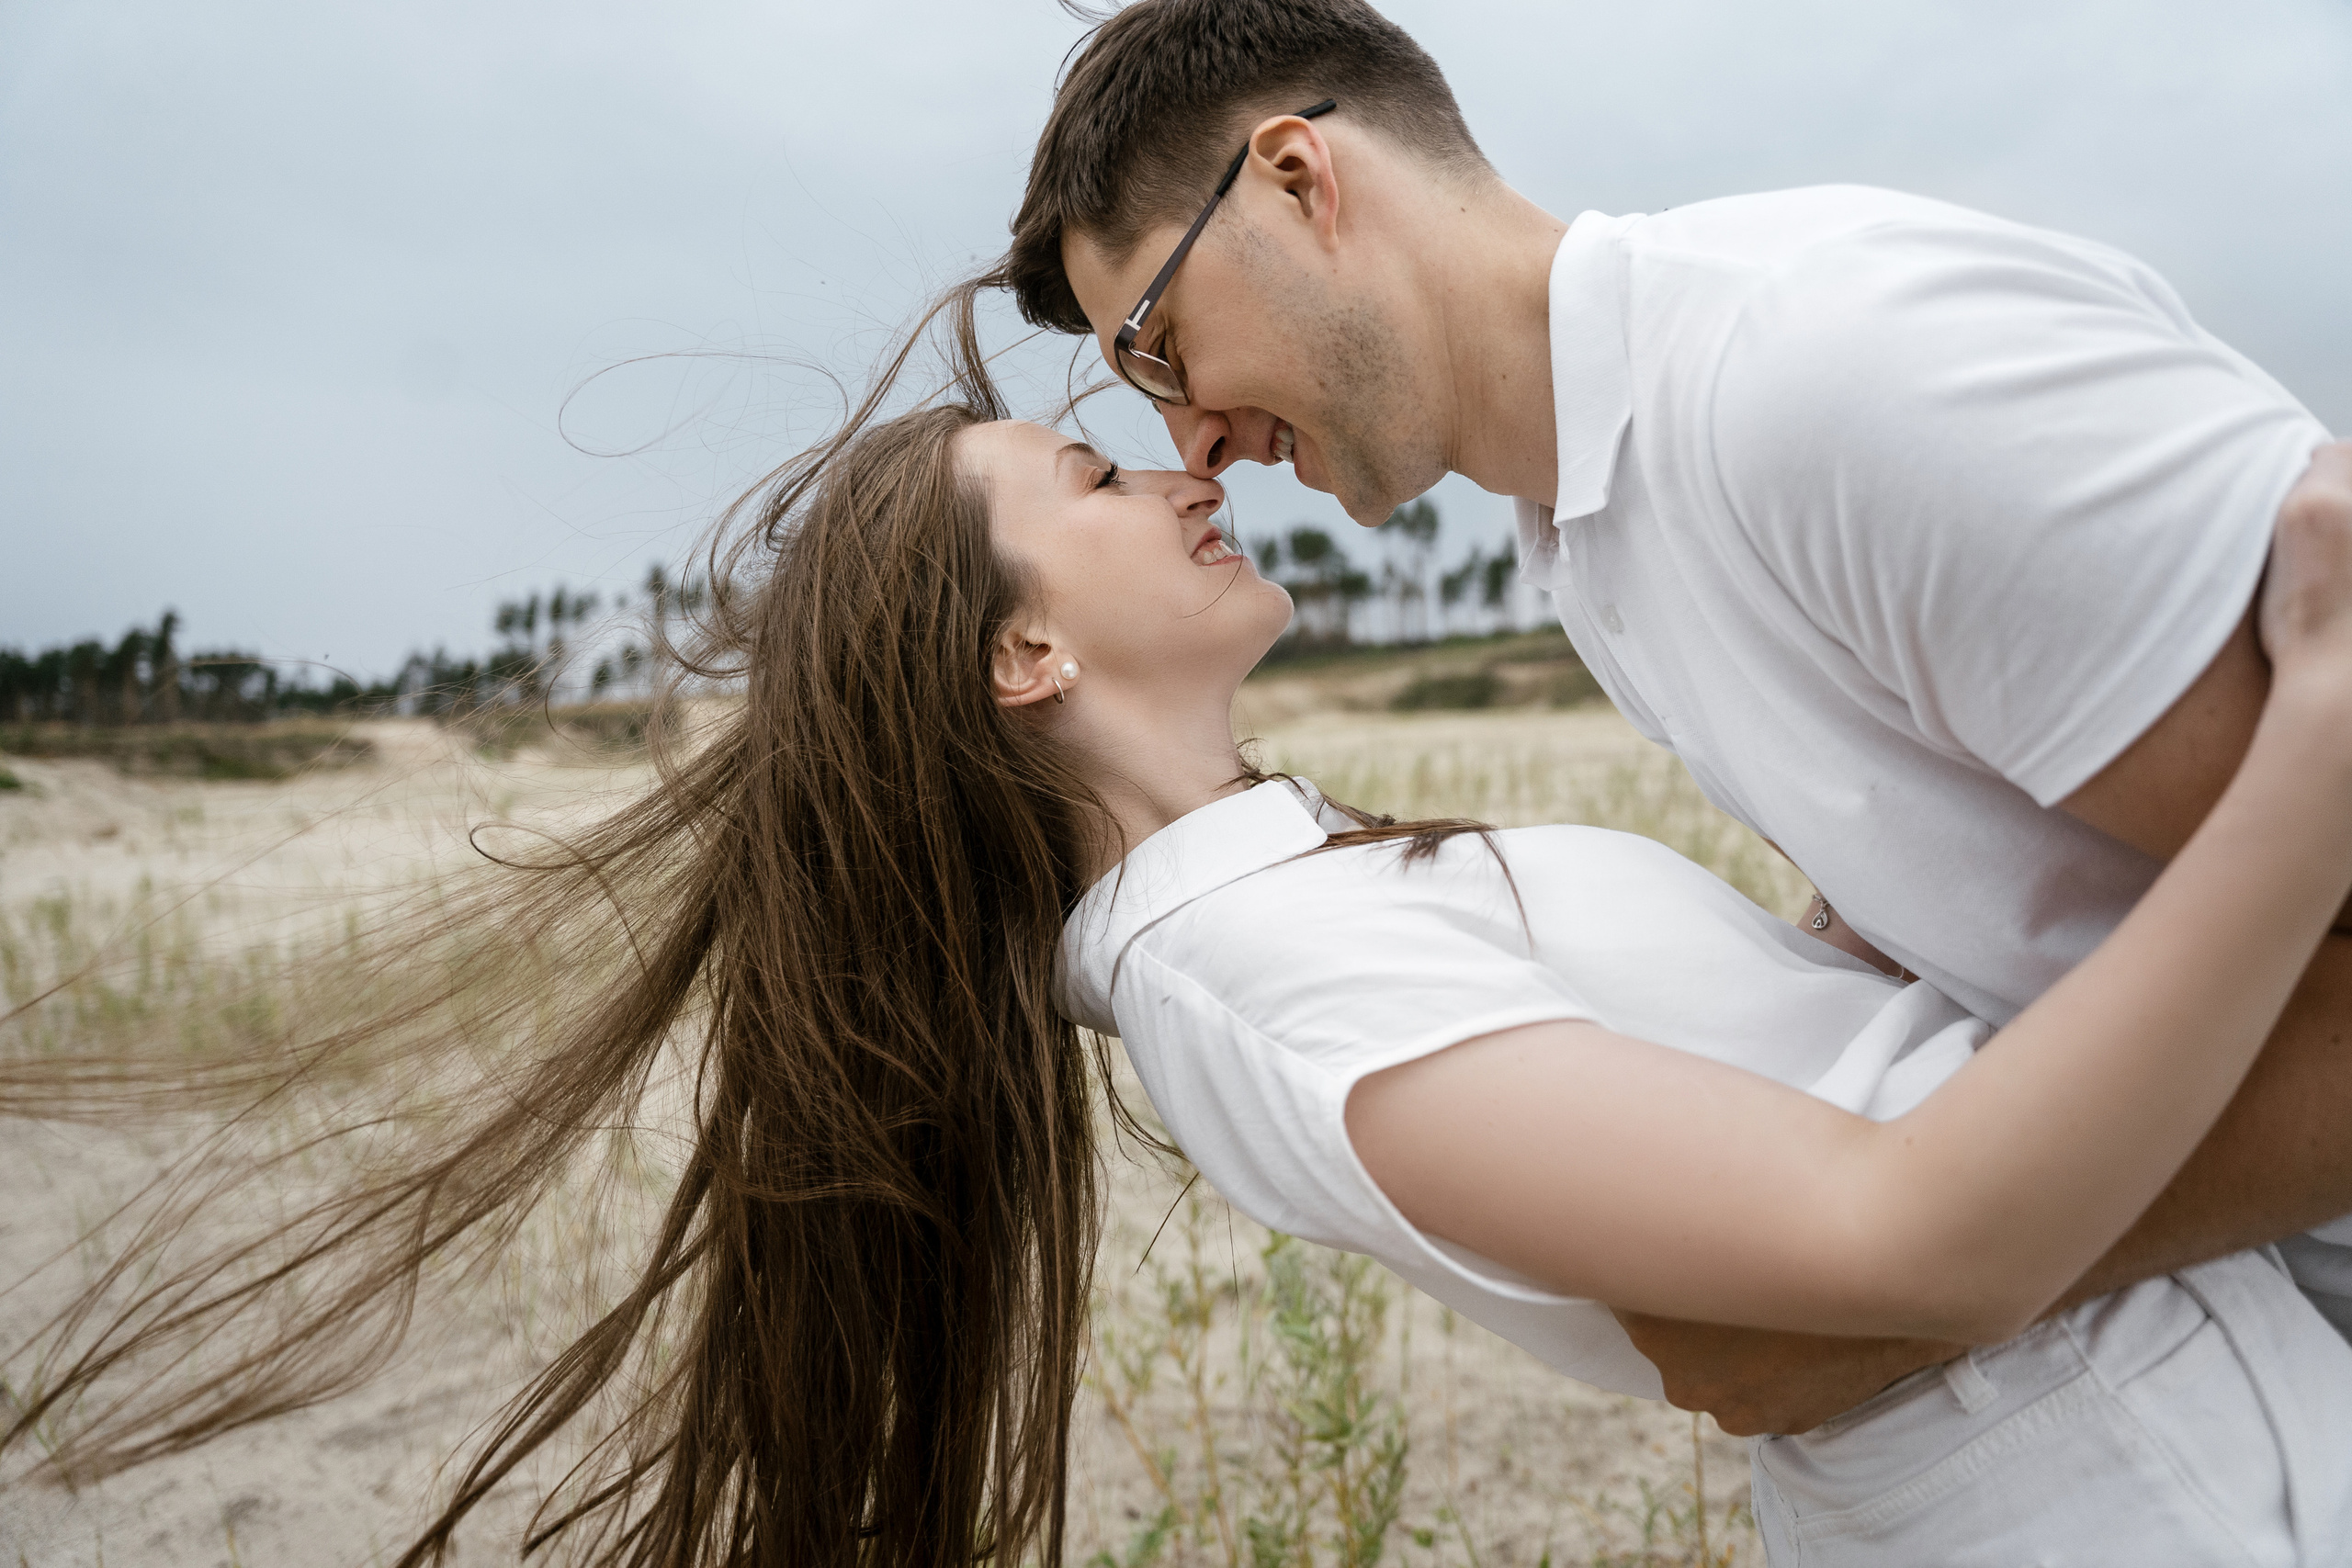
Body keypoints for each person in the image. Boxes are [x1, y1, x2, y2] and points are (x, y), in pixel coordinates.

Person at [12, 340, 2352, 1564]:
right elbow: (1887, 1238)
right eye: (1090, 481)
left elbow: (1807, 1130)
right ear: (1024, 656)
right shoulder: (1256, 985)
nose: (1177, 471)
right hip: (2145, 1502)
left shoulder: (1296, 888)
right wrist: (2318, 741)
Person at [993, 0, 2352, 1434]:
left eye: (1161, 345)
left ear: (1297, 179)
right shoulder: (1596, 537)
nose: (1193, 441)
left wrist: (1879, 1315)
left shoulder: (1823, 376)